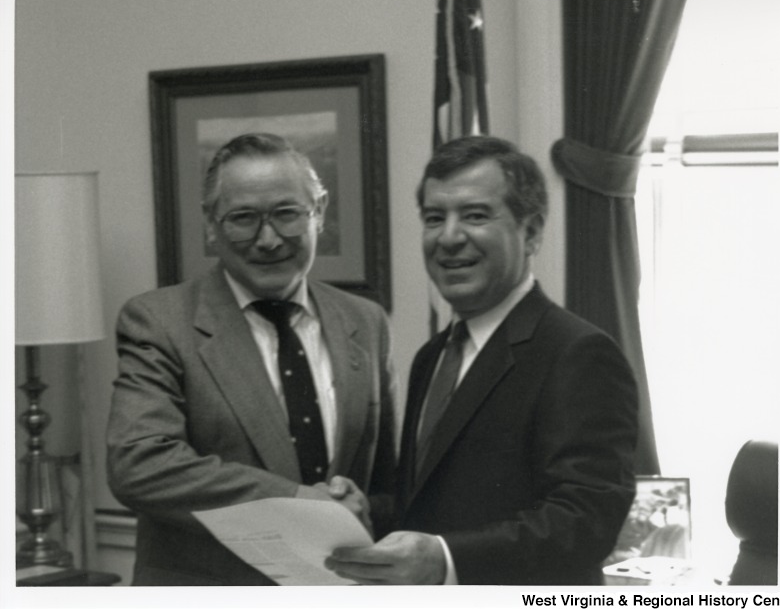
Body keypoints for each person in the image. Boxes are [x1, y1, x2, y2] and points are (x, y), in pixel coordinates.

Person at [325, 135, 639, 585]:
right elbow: (431, 502)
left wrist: (447, 560)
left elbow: (585, 523)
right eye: (435, 218)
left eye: (474, 215)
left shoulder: (578, 353)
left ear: (530, 232)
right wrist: (365, 509)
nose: (449, 238)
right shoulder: (431, 357)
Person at [107, 132, 396, 585]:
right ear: (210, 224)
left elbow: (385, 481)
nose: (268, 239)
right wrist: (297, 501)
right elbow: (139, 465)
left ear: (318, 212)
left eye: (286, 214)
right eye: (243, 218)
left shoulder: (366, 322)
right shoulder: (158, 321)